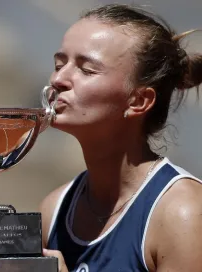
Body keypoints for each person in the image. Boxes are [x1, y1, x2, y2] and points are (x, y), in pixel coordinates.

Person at [39, 4, 202, 272]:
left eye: (86, 69)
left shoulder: (182, 212)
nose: (59, 79)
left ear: (138, 101)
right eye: (59, 64)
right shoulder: (54, 208)